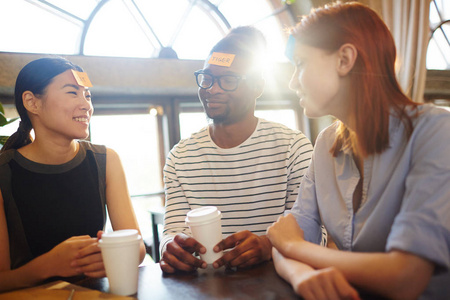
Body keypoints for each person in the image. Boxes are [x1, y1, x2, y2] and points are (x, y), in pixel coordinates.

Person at [266, 2, 450, 300]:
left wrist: (296, 248)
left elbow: (406, 277)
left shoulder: (437, 131)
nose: (291, 82)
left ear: (345, 59)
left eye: (300, 63)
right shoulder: (326, 144)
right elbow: (286, 234)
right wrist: (299, 274)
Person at [160, 26, 315, 273]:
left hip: (279, 284)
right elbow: (172, 230)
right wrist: (171, 246)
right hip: (205, 288)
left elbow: (314, 230)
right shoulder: (181, 156)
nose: (213, 89)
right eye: (207, 78)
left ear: (258, 87)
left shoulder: (293, 148)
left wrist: (268, 246)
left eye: (229, 80)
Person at [0, 57, 146, 292]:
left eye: (87, 95)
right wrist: (48, 265)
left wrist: (108, 253)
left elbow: (137, 247)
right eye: (72, 93)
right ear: (32, 102)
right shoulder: (4, 171)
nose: (86, 105)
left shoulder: (106, 160)